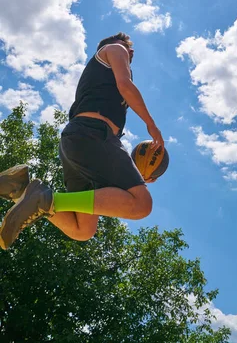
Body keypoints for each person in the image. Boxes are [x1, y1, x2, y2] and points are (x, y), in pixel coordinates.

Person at [0, 32, 164, 250]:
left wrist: (135, 175)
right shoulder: (115, 50)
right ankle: (44, 199)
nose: (131, 50)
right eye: (128, 45)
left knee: (82, 229)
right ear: (112, 44)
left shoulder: (101, 76)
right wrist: (151, 124)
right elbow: (125, 85)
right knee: (142, 204)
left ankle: (21, 189)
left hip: (77, 142)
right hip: (92, 133)